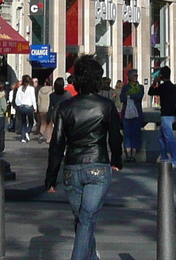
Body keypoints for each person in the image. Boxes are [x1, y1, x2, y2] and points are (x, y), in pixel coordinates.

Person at [45, 56, 123, 260]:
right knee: (87, 220)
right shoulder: (106, 105)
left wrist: (51, 176)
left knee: (82, 220)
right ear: (98, 80)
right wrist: (117, 160)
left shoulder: (65, 107)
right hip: (97, 164)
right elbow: (115, 137)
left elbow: (57, 145)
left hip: (72, 168)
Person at [150, 66, 176, 168]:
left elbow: (150, 92)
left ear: (161, 76)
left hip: (165, 114)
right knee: (162, 136)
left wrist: (155, 82)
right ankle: (164, 157)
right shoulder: (175, 88)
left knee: (169, 138)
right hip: (172, 114)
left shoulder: (162, 87)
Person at [119, 69, 145, 162]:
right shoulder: (125, 87)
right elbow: (122, 98)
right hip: (126, 113)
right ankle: (128, 154)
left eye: (136, 75)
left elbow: (139, 96)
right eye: (134, 75)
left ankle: (133, 155)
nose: (136, 77)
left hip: (137, 113)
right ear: (129, 77)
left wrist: (129, 96)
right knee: (127, 133)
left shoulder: (140, 87)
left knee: (136, 133)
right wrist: (131, 96)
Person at [14, 75, 39, 142]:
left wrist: (19, 105)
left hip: (22, 107)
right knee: (31, 122)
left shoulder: (20, 88)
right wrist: (35, 107)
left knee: (23, 122)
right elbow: (33, 98)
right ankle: (27, 132)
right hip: (29, 107)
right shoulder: (31, 88)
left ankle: (22, 138)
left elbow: (17, 98)